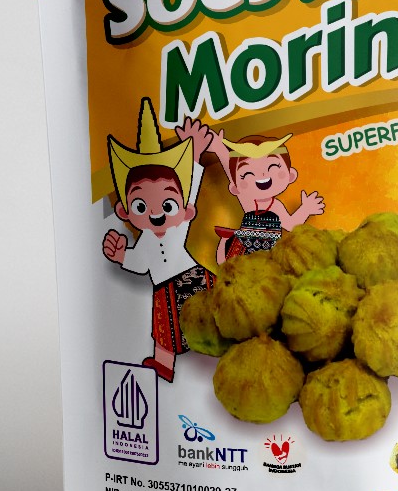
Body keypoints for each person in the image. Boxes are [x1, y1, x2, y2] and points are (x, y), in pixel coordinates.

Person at [102, 97, 213, 382]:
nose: (156, 214)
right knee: (164, 330)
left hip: (194, 276)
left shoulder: (179, 227)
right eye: (141, 206)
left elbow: (191, 190)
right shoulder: (146, 242)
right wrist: (121, 255)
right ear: (124, 211)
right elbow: (140, 264)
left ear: (186, 211)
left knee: (215, 315)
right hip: (164, 288)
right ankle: (164, 364)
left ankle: (222, 353)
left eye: (167, 205)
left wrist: (195, 157)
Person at [208, 130, 325, 262]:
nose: (262, 175)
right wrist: (219, 148)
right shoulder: (249, 201)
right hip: (243, 248)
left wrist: (306, 209)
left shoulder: (276, 206)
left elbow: (290, 225)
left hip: (267, 255)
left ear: (291, 175)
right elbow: (230, 172)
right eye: (247, 174)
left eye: (273, 167)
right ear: (235, 188)